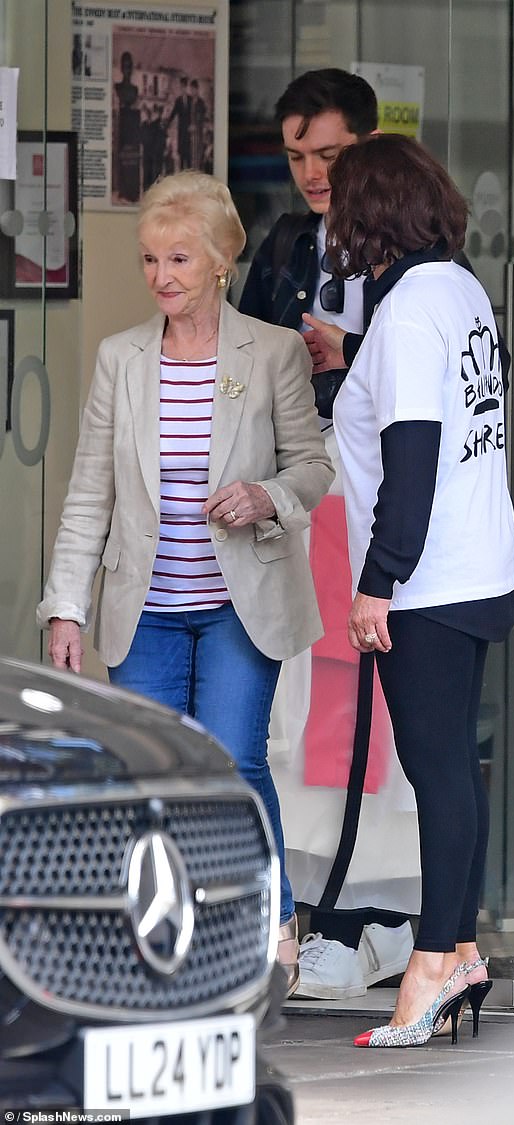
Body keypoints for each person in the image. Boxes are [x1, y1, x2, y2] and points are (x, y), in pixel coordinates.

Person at [36, 170, 334, 997]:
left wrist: (265, 496)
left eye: (178, 258)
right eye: (149, 260)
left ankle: (270, 925)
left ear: (219, 263)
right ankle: (172, 941)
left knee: (234, 760)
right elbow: (89, 489)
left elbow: (314, 467)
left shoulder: (270, 352)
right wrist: (64, 604)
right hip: (149, 610)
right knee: (155, 777)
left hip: (242, 606)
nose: (162, 276)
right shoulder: (121, 359)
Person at [323, 133, 514, 1046]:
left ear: (369, 218)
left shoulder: (406, 313)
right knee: (456, 773)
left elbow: (414, 455)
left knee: (437, 770)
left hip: (427, 580)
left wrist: (377, 583)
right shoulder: (462, 290)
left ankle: (431, 963)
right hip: (481, 568)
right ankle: (464, 949)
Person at [240, 68, 415, 1001]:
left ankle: (376, 911)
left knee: (365, 708)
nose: (313, 173)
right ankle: (330, 910)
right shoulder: (284, 243)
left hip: (375, 498)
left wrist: (343, 356)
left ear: (369, 144)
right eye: (299, 155)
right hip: (302, 495)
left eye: (331, 153)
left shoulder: (404, 255)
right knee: (299, 711)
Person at [114, 51, 141, 203]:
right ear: (121, 69)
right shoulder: (117, 88)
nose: (128, 69)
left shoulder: (135, 90)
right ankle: (124, 190)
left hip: (132, 130)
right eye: (125, 66)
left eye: (130, 66)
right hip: (123, 130)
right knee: (123, 159)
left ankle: (131, 191)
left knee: (131, 160)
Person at [168, 76, 192, 171]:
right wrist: (167, 122)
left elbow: (194, 115)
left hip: (189, 132)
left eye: (184, 87)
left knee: (189, 157)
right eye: (181, 87)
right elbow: (173, 113)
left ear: (187, 87)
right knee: (181, 156)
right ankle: (182, 176)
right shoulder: (178, 101)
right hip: (181, 132)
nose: (183, 89)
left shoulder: (191, 100)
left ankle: (189, 177)